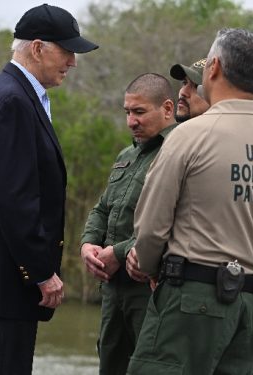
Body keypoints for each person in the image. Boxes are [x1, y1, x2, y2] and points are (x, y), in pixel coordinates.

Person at [125, 28, 253, 374]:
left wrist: (147, 266)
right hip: (247, 307)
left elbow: (150, 227)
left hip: (189, 301)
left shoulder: (191, 134)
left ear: (213, 67)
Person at [0, 4, 98, 374]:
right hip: (7, 271)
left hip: (3, 266)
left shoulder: (13, 94)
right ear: (38, 48)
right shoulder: (12, 100)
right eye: (67, 51)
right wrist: (42, 273)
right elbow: (14, 199)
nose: (73, 62)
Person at [80, 73, 175, 375]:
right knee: (110, 363)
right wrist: (88, 244)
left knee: (147, 366)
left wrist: (118, 253)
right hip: (113, 289)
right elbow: (103, 208)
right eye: (127, 112)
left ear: (168, 109)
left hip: (148, 288)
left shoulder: (178, 153)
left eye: (140, 112)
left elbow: (175, 223)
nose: (131, 121)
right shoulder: (127, 155)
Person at [170, 59, 253, 259]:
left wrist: (144, 261)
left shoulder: (201, 149)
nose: (183, 92)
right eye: (184, 83)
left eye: (196, 86)